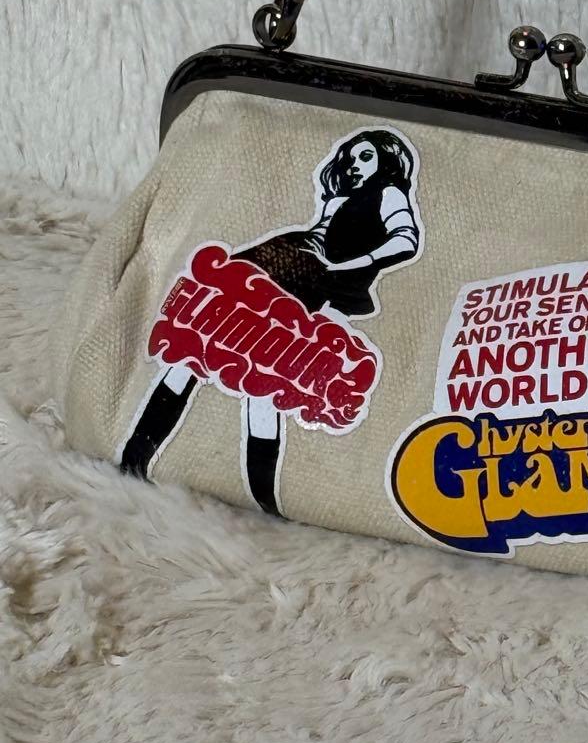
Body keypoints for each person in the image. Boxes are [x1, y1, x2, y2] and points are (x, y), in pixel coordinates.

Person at [118, 128, 423, 516]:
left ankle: (260, 495)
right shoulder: (346, 194)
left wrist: (352, 264)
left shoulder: (388, 192)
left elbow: (406, 239)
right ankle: (137, 459)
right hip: (287, 262)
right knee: (202, 351)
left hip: (314, 282)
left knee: (259, 382)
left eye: (366, 157)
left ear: (387, 160)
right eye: (351, 157)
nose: (354, 165)